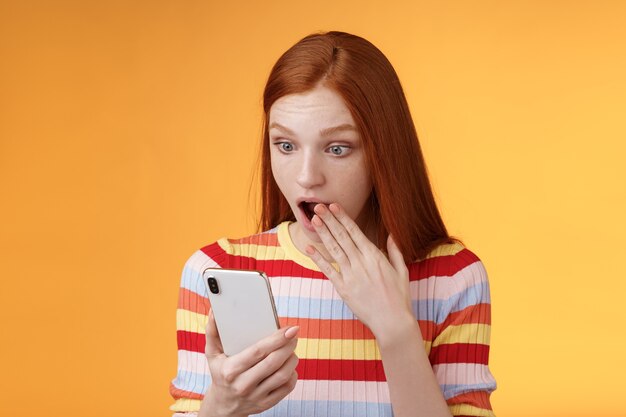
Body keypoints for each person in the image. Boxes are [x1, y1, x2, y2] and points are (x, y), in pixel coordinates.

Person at [170, 31, 497, 417]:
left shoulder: (453, 277)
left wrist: (397, 333)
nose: (307, 177)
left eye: (337, 148)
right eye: (286, 145)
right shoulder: (216, 269)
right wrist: (220, 407)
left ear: (383, 152)